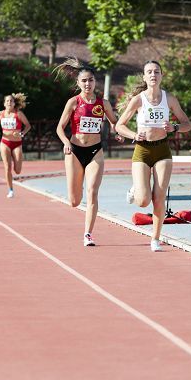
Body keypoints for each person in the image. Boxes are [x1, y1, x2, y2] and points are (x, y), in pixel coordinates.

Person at [115, 60, 191, 252]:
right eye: (149, 72)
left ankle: (155, 239)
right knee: (143, 201)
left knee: (159, 197)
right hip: (142, 150)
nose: (153, 75)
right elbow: (119, 125)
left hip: (162, 150)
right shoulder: (139, 100)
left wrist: (174, 127)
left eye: (156, 71)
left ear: (161, 76)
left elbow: (187, 124)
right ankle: (136, 190)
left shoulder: (170, 99)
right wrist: (134, 135)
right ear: (144, 77)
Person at [55, 58, 121, 247]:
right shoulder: (73, 102)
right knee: (75, 201)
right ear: (78, 83)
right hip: (75, 151)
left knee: (92, 192)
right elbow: (60, 127)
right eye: (84, 81)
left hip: (95, 151)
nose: (87, 84)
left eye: (91, 80)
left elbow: (114, 122)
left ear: (95, 82)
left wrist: (117, 133)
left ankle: (88, 234)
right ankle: (77, 188)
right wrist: (66, 142)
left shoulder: (103, 103)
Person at [0, 93, 32, 198]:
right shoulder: (0, 114)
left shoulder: (18, 114)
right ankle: (10, 190)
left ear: (14, 103)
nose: (9, 102)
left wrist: (21, 133)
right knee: (7, 167)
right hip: (5, 142)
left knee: (17, 171)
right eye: (7, 101)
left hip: (17, 143)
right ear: (4, 103)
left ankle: (16, 165)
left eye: (11, 101)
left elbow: (28, 126)